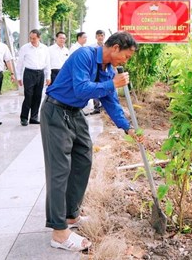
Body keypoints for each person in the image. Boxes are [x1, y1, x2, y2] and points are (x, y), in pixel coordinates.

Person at [40, 31, 142, 252]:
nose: (125, 61)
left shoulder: (107, 71)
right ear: (115, 48)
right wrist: (112, 84)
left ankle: (70, 216)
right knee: (60, 170)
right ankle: (58, 233)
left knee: (84, 161)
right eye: (126, 56)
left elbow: (110, 102)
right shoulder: (84, 56)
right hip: (55, 111)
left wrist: (127, 128)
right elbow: (82, 88)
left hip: (76, 113)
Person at [16, 29, 51, 126]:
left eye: (34, 38)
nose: (32, 40)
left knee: (38, 96)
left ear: (39, 38)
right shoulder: (25, 48)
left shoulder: (44, 48)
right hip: (29, 73)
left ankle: (34, 117)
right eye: (30, 38)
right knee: (28, 96)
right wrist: (18, 77)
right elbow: (19, 63)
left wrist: (48, 76)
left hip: (40, 73)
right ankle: (24, 117)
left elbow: (47, 63)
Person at [89, 30, 106, 115]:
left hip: (104, 70)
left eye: (101, 35)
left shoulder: (107, 47)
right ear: (96, 37)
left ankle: (104, 107)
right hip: (95, 70)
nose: (100, 37)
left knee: (104, 86)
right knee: (95, 87)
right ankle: (96, 107)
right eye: (98, 35)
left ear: (104, 37)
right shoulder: (92, 47)